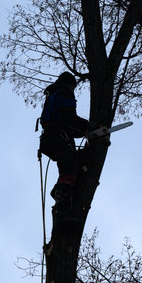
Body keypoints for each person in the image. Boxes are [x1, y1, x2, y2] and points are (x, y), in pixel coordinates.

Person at [39, 72, 92, 202]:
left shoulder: (51, 96)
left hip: (49, 139)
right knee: (69, 170)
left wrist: (81, 132)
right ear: (70, 85)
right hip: (60, 138)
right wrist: (89, 127)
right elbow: (69, 118)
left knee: (68, 168)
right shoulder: (65, 92)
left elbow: (64, 121)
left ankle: (59, 190)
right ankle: (63, 195)